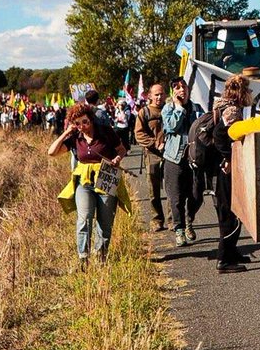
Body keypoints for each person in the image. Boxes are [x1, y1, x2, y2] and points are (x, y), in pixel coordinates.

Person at [48, 102, 128, 268]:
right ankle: (83, 257)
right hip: (84, 182)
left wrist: (117, 158)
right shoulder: (75, 138)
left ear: (91, 119)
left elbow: (121, 149)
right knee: (84, 218)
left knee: (105, 221)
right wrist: (66, 133)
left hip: (106, 177)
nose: (82, 126)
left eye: (85, 122)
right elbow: (52, 152)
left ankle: (101, 256)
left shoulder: (105, 132)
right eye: (77, 123)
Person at [208, 73, 253, 273]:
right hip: (226, 169)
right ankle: (223, 259)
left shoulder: (224, 106)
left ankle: (232, 252)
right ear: (240, 92)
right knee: (229, 212)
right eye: (247, 89)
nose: (250, 93)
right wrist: (228, 157)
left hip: (224, 168)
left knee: (234, 210)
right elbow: (219, 135)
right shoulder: (232, 110)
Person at [161, 76, 202, 246]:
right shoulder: (168, 109)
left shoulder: (197, 108)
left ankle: (189, 221)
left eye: (183, 86)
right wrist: (178, 107)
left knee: (196, 195)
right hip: (174, 158)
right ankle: (179, 229)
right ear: (173, 91)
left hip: (193, 159)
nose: (181, 90)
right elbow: (171, 126)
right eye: (177, 87)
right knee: (176, 197)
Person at [134, 82, 169, 231]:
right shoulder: (145, 112)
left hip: (170, 155)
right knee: (153, 191)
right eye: (156, 94)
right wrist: (154, 143)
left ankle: (173, 221)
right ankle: (157, 220)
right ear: (150, 96)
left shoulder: (170, 109)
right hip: (152, 155)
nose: (159, 97)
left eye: (161, 94)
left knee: (171, 190)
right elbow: (139, 134)